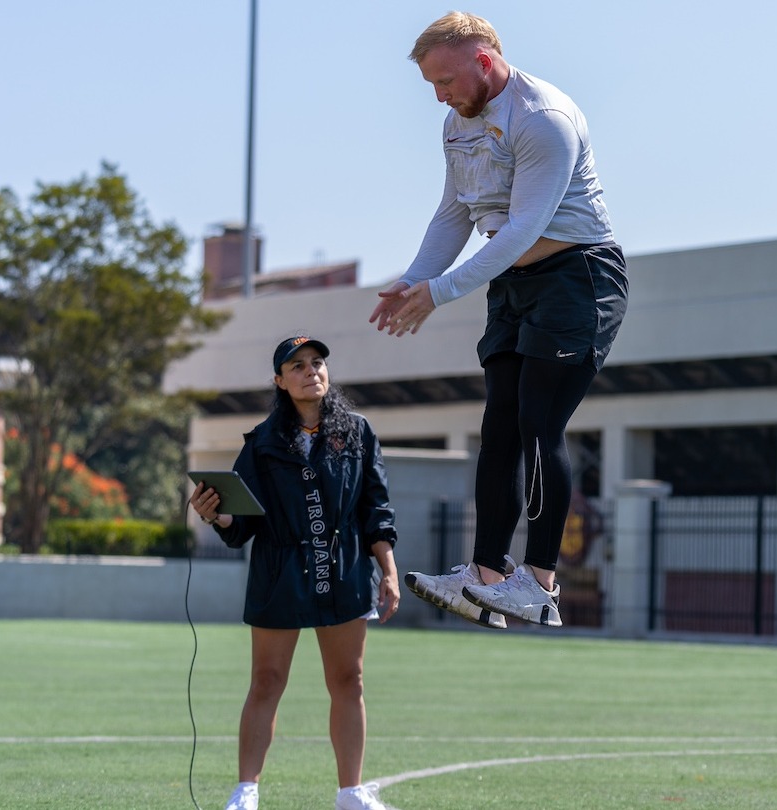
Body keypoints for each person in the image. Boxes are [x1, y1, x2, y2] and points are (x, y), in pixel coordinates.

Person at [370, 11, 627, 629]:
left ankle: (539, 583)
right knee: (500, 430)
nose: (440, 95)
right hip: (515, 285)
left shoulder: (544, 120)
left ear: (484, 61)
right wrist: (414, 278)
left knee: (541, 423)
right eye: (431, 85)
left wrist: (442, 292)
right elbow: (454, 213)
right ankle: (486, 578)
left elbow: (521, 230)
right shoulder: (457, 124)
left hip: (577, 277)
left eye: (446, 80)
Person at [189, 335, 399, 810]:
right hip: (279, 569)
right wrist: (216, 514)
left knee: (350, 681)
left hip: (344, 567)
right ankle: (246, 792)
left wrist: (387, 569)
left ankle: (350, 794)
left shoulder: (358, 432)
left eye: (318, 363)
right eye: (298, 366)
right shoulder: (261, 443)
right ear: (280, 381)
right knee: (266, 680)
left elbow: (376, 509)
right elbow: (241, 522)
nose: (312, 372)